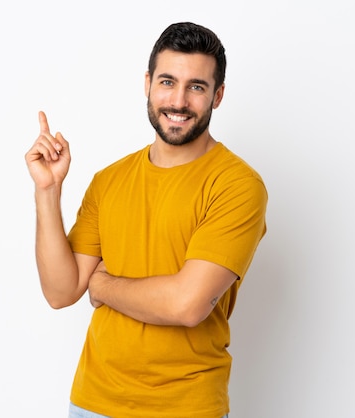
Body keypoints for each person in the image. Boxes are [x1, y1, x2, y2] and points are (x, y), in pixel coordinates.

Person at [25, 21, 267, 418]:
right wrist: (48, 192)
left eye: (197, 87)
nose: (178, 100)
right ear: (148, 84)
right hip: (93, 402)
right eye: (168, 82)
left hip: (185, 407)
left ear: (218, 96)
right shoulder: (110, 180)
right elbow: (61, 291)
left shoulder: (237, 185)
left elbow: (187, 305)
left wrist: (103, 285)